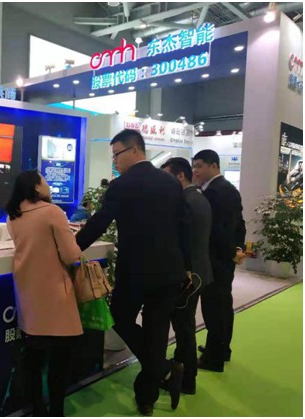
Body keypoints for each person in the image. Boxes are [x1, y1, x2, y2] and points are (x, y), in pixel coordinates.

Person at [76, 129, 191, 416]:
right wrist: (186, 266)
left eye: (117, 154)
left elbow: (99, 223)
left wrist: (71, 248)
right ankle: (148, 394)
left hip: (136, 271)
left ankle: (161, 371)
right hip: (169, 271)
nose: (114, 161)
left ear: (135, 150)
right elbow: (183, 227)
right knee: (157, 332)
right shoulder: (171, 182)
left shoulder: (122, 185)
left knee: (120, 318)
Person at [5, 170, 82, 417]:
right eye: (45, 181)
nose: (48, 185)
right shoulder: (52, 212)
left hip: (28, 296)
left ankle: (38, 410)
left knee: (34, 362)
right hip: (56, 296)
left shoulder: (13, 216)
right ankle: (56, 412)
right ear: (37, 188)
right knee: (59, 365)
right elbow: (71, 255)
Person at [161, 157, 213, 394]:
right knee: (185, 326)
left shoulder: (185, 201)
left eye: (167, 176)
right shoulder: (200, 198)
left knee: (184, 328)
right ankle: (184, 375)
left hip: (188, 276)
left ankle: (186, 379)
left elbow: (181, 243)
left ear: (180, 176)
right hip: (200, 272)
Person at [192, 150, 246, 372]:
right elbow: (239, 224)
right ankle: (221, 349)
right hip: (224, 257)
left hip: (215, 258)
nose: (195, 171)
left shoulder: (215, 191)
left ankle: (213, 358)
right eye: (194, 166)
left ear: (214, 166)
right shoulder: (225, 189)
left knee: (214, 307)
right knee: (222, 305)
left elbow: (217, 229)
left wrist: (231, 251)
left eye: (199, 166)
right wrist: (238, 249)